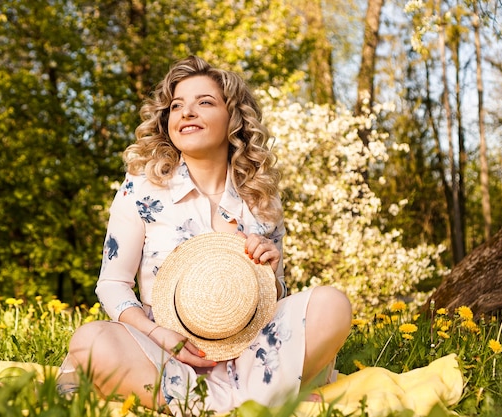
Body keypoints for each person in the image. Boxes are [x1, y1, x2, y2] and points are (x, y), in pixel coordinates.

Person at [58, 55, 352, 414]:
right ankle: (256, 403)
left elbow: (272, 300)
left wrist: (271, 272)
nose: (187, 112)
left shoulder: (261, 197)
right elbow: (112, 285)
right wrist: (158, 336)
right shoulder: (140, 190)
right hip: (166, 353)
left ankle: (215, 404)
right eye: (177, 106)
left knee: (332, 304)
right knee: (91, 340)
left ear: (234, 118)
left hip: (250, 354)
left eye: (205, 102)